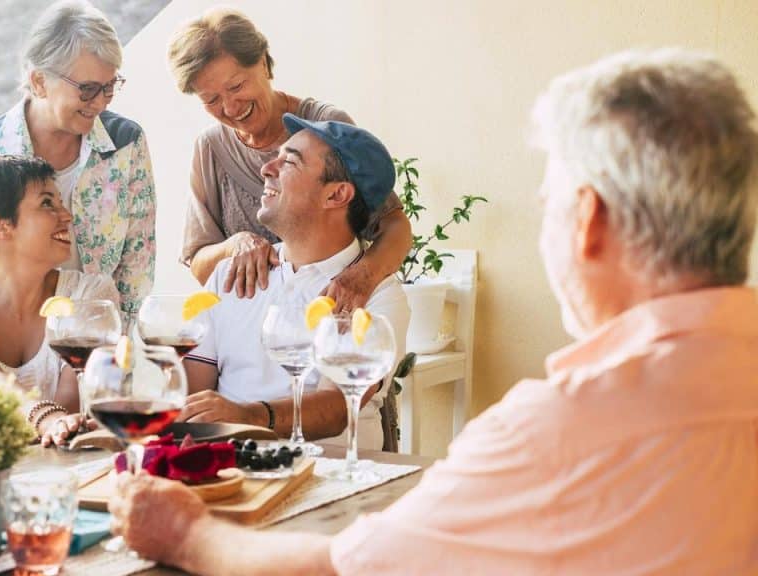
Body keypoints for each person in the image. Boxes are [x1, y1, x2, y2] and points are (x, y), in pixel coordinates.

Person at [110, 49, 758, 574]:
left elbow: (340, 568)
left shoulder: (555, 435)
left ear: (587, 219)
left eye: (548, 199)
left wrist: (186, 535)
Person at [0, 0, 155, 331]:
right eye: (87, 89)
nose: (100, 102)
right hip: (5, 339)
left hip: (92, 343)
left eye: (109, 87)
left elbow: (137, 264)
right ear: (39, 81)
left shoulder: (126, 144)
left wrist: (116, 344)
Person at [180, 115, 409, 450]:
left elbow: (337, 407)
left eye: (288, 161)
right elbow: (192, 395)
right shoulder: (231, 274)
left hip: (329, 479)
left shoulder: (378, 297)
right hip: (227, 470)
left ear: (336, 195)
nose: (266, 168)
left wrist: (248, 419)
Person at [168, 9, 410, 312]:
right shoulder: (210, 148)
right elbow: (201, 266)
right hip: (252, 324)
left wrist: (361, 278)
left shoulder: (323, 128)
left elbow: (395, 227)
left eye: (236, 86)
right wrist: (237, 244)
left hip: (327, 314)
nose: (229, 107)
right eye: (211, 100)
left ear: (264, 64)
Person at [0, 155, 116, 447]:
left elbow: (72, 414)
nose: (67, 215)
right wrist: (47, 419)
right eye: (47, 203)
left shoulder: (91, 296)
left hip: (69, 470)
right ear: (0, 227)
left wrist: (57, 424)